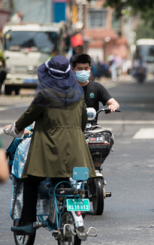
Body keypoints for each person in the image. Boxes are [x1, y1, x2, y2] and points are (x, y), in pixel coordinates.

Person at [6, 55, 96, 235]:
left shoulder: (45, 96)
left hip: (49, 150)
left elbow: (28, 117)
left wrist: (15, 128)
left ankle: (27, 222)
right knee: (64, 180)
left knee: (30, 181)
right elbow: (83, 122)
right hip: (76, 151)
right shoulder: (77, 94)